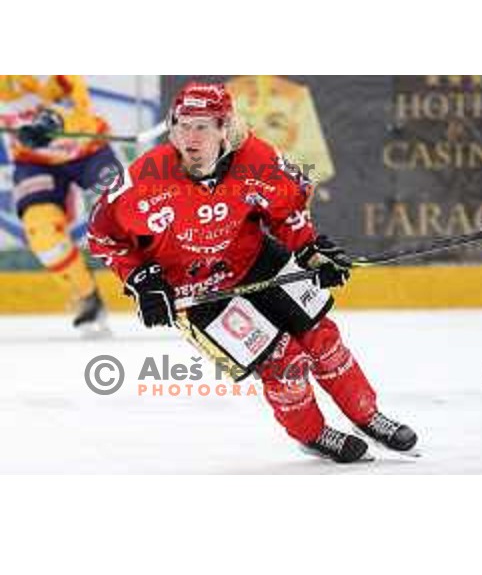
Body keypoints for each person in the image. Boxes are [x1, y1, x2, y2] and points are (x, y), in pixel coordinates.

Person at [87, 81, 417, 462]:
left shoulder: (257, 159)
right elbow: (102, 235)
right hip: (195, 293)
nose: (189, 138)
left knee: (323, 340)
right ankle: (311, 433)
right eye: (182, 125)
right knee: (284, 361)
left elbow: (287, 211)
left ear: (225, 128)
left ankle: (367, 414)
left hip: (255, 260)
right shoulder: (145, 177)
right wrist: (141, 280)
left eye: (202, 127)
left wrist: (309, 252)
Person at [0, 75, 113, 334]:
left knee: (129, 212)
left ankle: (182, 278)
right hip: (34, 161)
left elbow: (79, 107)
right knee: (43, 234)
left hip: (88, 150)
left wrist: (52, 122)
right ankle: (87, 295)